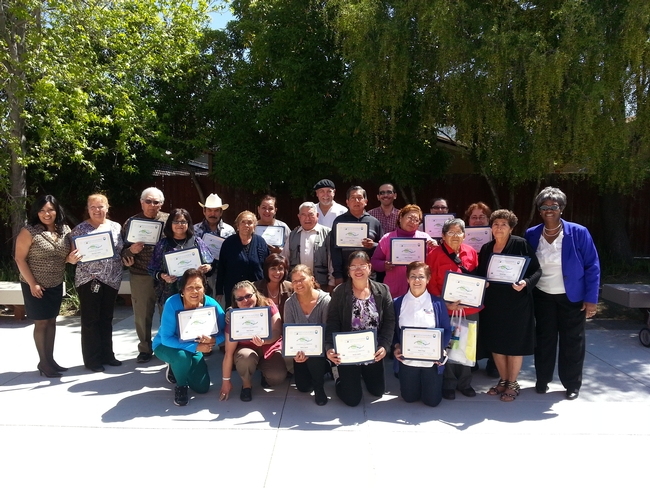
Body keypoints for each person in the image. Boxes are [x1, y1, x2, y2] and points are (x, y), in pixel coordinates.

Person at [525, 187, 600, 400]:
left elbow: (592, 266)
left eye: (553, 206)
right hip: (543, 295)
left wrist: (591, 299)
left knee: (572, 342)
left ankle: (572, 384)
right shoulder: (532, 234)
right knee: (544, 340)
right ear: (539, 210)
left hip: (572, 296)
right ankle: (542, 380)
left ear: (562, 208)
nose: (549, 210)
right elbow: (527, 264)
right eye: (544, 206)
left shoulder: (578, 232)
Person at [476, 209, 541, 401]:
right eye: (495, 224)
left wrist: (526, 283)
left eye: (503, 224)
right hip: (493, 304)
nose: (499, 227)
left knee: (513, 344)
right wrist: (483, 282)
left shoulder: (520, 244)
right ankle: (502, 381)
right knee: (497, 343)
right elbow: (480, 272)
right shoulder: (487, 248)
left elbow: (536, 270)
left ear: (511, 228)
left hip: (517, 304)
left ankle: (513, 383)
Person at [14, 195, 79, 377]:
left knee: (51, 321)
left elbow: (66, 256)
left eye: (50, 209)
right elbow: (19, 259)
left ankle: (49, 360)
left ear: (56, 210)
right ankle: (44, 363)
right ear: (37, 212)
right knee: (41, 323)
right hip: (35, 285)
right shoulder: (29, 231)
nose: (46, 214)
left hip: (55, 283)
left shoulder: (65, 230)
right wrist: (33, 284)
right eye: (42, 210)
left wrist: (70, 259)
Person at [325, 251, 395, 406]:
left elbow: (390, 322)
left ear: (369, 268)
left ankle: (362, 374)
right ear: (348, 271)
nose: (358, 270)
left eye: (362, 265)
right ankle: (338, 377)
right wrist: (330, 348)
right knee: (352, 399)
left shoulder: (383, 291)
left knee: (378, 391)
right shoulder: (340, 292)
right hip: (348, 352)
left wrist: (384, 346)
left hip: (372, 351)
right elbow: (333, 322)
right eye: (353, 266)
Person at [152, 269, 224, 406]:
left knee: (202, 388)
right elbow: (166, 338)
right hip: (165, 346)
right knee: (181, 357)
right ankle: (181, 386)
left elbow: (226, 331)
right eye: (190, 287)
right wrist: (197, 346)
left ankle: (177, 368)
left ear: (204, 288)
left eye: (198, 287)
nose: (194, 291)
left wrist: (213, 341)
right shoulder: (172, 303)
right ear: (182, 290)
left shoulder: (211, 304)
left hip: (194, 349)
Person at [426, 218, 480, 400]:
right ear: (443, 236)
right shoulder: (434, 255)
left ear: (464, 235)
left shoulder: (471, 252)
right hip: (446, 309)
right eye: (451, 232)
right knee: (448, 346)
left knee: (467, 346)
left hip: (469, 310)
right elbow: (431, 284)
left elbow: (476, 279)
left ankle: (465, 382)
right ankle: (448, 383)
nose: (455, 236)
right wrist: (443, 304)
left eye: (459, 232)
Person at [71, 194, 124, 372]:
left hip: (112, 280)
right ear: (88, 209)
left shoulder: (116, 227)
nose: (97, 210)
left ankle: (107, 355)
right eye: (93, 207)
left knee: (106, 319)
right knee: (90, 320)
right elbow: (72, 256)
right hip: (89, 280)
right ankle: (92, 359)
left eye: (100, 206)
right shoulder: (79, 230)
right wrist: (71, 258)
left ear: (107, 208)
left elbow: (120, 251)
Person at [393, 262, 452, 407]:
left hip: (431, 361)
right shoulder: (397, 303)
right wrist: (396, 346)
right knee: (409, 398)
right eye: (413, 276)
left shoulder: (437, 303)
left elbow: (447, 330)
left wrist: (440, 350)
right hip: (407, 361)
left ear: (428, 279)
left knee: (432, 402)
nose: (417, 280)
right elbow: (393, 331)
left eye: (421, 277)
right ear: (407, 279)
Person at [121, 187, 169, 363]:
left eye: (156, 202)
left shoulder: (169, 220)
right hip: (141, 274)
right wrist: (130, 251)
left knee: (167, 313)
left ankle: (165, 347)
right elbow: (121, 252)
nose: (152, 205)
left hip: (165, 275)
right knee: (142, 314)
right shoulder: (131, 222)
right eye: (148, 201)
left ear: (161, 204)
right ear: (141, 202)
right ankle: (145, 349)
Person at [219, 280, 286, 402]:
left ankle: (264, 374)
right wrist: (226, 382)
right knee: (245, 358)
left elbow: (277, 330)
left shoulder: (268, 304)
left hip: (269, 346)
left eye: (248, 296)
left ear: (255, 293)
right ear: (235, 302)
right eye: (240, 299)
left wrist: (265, 341)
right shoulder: (234, 318)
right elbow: (228, 353)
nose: (245, 300)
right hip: (246, 350)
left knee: (277, 377)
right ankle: (246, 384)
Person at [284, 265, 331, 405]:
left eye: (302, 279)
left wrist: (314, 349)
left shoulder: (325, 301)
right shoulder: (289, 304)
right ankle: (326, 370)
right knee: (303, 387)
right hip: (300, 349)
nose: (298, 284)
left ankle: (319, 388)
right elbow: (289, 332)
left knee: (315, 357)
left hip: (321, 349)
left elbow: (327, 331)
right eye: (294, 281)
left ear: (312, 279)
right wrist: (294, 354)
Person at [148, 208, 213, 311]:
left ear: (188, 224)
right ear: (170, 224)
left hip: (195, 292)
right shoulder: (162, 244)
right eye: (176, 222)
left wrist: (208, 267)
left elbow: (210, 263)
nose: (180, 225)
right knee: (172, 323)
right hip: (170, 292)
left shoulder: (197, 241)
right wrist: (163, 276)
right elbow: (152, 269)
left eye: (183, 221)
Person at [463, 201, 498, 378]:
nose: (477, 220)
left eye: (481, 217)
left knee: (492, 325)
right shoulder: (460, 239)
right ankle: (472, 360)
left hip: (492, 291)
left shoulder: (496, 238)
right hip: (469, 291)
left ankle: (494, 361)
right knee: (471, 326)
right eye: (474, 217)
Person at [371, 204, 432, 298]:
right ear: (400, 218)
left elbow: (434, 262)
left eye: (416, 220)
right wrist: (384, 265)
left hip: (419, 290)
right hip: (394, 290)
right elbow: (374, 262)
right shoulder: (387, 238)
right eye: (410, 218)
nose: (412, 222)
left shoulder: (425, 238)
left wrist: (434, 247)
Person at [215, 211, 270, 308]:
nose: (246, 225)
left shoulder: (261, 242)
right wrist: (219, 291)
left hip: (256, 291)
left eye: (250, 222)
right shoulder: (228, 243)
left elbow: (267, 267)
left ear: (254, 226)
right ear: (238, 225)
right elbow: (222, 268)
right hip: (234, 292)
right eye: (243, 222)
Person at [330, 186, 383, 285]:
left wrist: (373, 245)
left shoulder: (374, 222)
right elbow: (334, 250)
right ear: (347, 202)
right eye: (353, 198)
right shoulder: (339, 221)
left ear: (366, 201)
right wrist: (338, 275)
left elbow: (383, 248)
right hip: (345, 275)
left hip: (369, 275)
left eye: (359, 198)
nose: (356, 201)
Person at [193, 192, 235, 299]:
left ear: (221, 212)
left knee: (220, 309)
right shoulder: (194, 230)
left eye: (216, 210)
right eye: (210, 210)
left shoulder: (229, 231)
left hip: (223, 276)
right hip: (200, 275)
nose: (213, 213)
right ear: (204, 211)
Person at [287, 202, 334, 291]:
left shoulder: (328, 233)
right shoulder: (292, 235)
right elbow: (285, 259)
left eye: (311, 215)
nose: (307, 218)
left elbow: (332, 260)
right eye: (303, 215)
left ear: (317, 215)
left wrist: (331, 283)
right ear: (299, 217)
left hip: (321, 285)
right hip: (297, 286)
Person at [254, 253, 293, 319]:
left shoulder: (290, 287)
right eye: (273, 268)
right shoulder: (254, 287)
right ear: (267, 270)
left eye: (280, 269)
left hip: (284, 327)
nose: (277, 272)